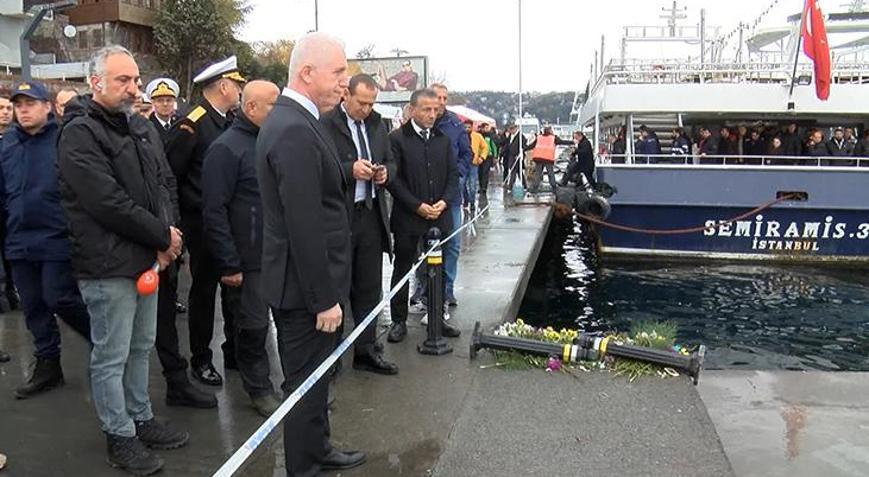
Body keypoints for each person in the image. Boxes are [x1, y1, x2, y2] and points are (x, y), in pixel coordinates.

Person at [57, 45, 188, 476]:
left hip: (146, 258)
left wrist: (168, 236)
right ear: (96, 83)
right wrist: (160, 235)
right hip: (107, 265)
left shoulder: (138, 127)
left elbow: (161, 184)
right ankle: (119, 435)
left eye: (134, 80)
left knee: (140, 346)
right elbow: (106, 202)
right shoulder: (80, 133)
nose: (133, 88)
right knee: (111, 355)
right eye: (123, 81)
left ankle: (140, 416)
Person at [256, 32, 366, 476]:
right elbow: (304, 223)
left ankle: (318, 450)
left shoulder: (298, 122)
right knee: (305, 385)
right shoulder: (293, 129)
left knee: (318, 381)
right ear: (306, 73)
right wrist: (324, 298)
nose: (345, 81)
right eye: (338, 72)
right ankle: (305, 466)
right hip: (305, 293)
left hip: (308, 285)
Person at [0, 81, 92, 399]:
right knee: (34, 306)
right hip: (17, 239)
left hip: (55, 236)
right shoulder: (7, 142)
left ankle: (103, 342)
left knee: (59, 298)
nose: (23, 109)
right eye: (18, 104)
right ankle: (48, 363)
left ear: (48, 107)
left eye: (30, 103)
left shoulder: (63, 138)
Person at [202, 80, 283, 416]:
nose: (279, 112)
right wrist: (229, 263)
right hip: (247, 261)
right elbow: (214, 210)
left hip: (277, 253)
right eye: (272, 105)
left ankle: (296, 384)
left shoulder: (273, 142)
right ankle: (259, 389)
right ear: (251, 108)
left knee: (287, 321)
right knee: (253, 327)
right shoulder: (226, 148)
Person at [165, 56, 245, 387]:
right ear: (223, 86)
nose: (240, 90)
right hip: (201, 223)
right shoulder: (193, 123)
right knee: (203, 293)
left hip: (227, 220)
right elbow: (172, 174)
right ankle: (201, 358)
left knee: (233, 286)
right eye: (237, 85)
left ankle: (234, 350)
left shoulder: (227, 120)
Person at [320, 73, 398, 375]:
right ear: (346, 96)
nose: (366, 109)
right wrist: (349, 170)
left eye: (371, 103)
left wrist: (384, 174)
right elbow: (319, 168)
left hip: (371, 214)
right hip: (341, 216)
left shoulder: (377, 124)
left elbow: (391, 161)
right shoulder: (326, 124)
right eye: (362, 102)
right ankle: (332, 358)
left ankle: (365, 350)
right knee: (338, 288)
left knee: (369, 289)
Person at [385, 88, 461, 343]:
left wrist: (443, 202)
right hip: (409, 217)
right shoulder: (396, 139)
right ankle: (398, 320)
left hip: (439, 216)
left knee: (437, 270)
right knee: (404, 268)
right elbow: (393, 180)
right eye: (426, 110)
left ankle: (437, 316)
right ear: (413, 109)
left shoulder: (443, 139)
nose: (432, 114)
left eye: (435, 110)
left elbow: (453, 175)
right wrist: (416, 205)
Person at [430, 83, 470, 308]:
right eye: (438, 96)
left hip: (452, 195)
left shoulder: (455, 124)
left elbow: (466, 153)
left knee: (452, 243)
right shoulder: (420, 121)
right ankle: (424, 289)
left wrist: (460, 175)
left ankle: (448, 289)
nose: (442, 101)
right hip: (427, 194)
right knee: (425, 244)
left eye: (445, 97)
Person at [527, 125, 570, 194]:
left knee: (537, 174)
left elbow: (532, 146)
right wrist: (573, 142)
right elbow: (563, 142)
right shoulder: (553, 138)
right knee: (550, 173)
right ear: (550, 131)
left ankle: (535, 188)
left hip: (538, 158)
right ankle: (554, 188)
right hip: (547, 158)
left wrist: (524, 148)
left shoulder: (539, 137)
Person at [145, 78, 181, 144]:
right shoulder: (146, 127)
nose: (165, 104)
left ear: (174, 102)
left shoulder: (180, 124)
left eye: (169, 100)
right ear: (153, 103)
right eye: (160, 100)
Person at [464, 119, 489, 209]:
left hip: (474, 163)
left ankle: (472, 202)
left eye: (469, 127)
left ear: (472, 127)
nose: (467, 129)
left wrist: (482, 157)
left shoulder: (477, 136)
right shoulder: (461, 136)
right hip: (463, 164)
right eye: (465, 127)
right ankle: (466, 199)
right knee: (461, 184)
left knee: (472, 184)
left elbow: (485, 147)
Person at [478, 123, 498, 199]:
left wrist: (495, 156)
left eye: (487, 128)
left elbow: (493, 146)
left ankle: (484, 187)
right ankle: (480, 186)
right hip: (479, 156)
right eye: (485, 128)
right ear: (482, 128)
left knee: (485, 171)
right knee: (480, 172)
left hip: (488, 156)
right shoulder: (479, 135)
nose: (487, 129)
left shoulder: (490, 136)